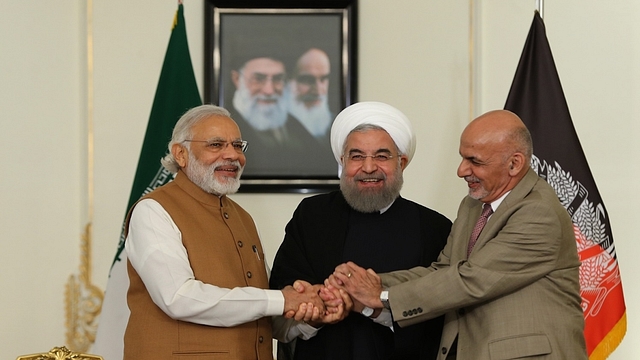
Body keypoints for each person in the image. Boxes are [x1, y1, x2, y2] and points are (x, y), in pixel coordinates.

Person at [332, 110, 588, 360]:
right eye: (462, 158)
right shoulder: (473, 205)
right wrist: (366, 283)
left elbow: (470, 279)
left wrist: (380, 296)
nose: (461, 170)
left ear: (514, 164)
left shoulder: (538, 213)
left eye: (474, 161)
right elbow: (442, 270)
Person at [122, 104, 328, 359]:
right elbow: (178, 298)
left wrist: (313, 314)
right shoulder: (153, 210)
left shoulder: (243, 218)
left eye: (238, 146)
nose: (232, 155)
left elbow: (265, 319)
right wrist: (282, 300)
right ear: (181, 154)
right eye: (216, 145)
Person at [270, 101, 452, 359]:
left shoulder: (434, 227)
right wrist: (320, 309)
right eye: (356, 156)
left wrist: (372, 305)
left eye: (381, 156)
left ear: (402, 162)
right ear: (342, 162)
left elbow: (439, 313)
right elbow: (283, 301)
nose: (368, 168)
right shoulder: (313, 215)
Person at [229, 55, 336, 177]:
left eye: (277, 79)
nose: (269, 90)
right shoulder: (224, 125)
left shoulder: (294, 125)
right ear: (237, 79)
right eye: (258, 79)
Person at [287, 48, 333, 140]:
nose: (318, 91)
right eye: (308, 80)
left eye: (323, 79)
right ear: (288, 82)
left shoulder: (339, 128)